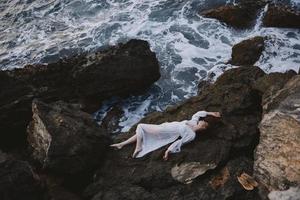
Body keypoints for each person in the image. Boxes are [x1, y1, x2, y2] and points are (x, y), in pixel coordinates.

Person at [110, 110, 221, 160]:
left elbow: (179, 143)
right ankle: (122, 144)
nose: (202, 122)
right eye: (203, 122)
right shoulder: (193, 121)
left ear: (203, 128)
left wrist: (168, 151)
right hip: (166, 126)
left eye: (204, 124)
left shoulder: (191, 135)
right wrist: (212, 113)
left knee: (140, 127)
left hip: (164, 132)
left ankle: (138, 147)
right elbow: (199, 113)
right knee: (142, 133)